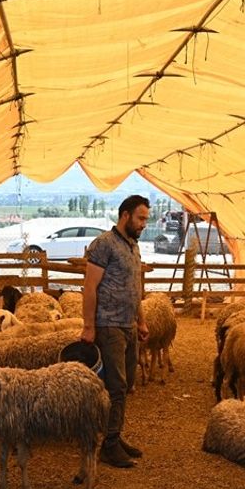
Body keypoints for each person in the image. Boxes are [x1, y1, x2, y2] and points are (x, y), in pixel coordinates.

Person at [80, 194, 150, 468]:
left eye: (146, 218)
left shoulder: (133, 246)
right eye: (141, 218)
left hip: (128, 325)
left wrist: (141, 321)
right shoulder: (104, 245)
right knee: (116, 386)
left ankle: (115, 435)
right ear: (125, 215)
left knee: (125, 385)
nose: (144, 223)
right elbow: (90, 287)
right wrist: (89, 325)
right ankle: (108, 445)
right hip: (108, 325)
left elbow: (135, 288)